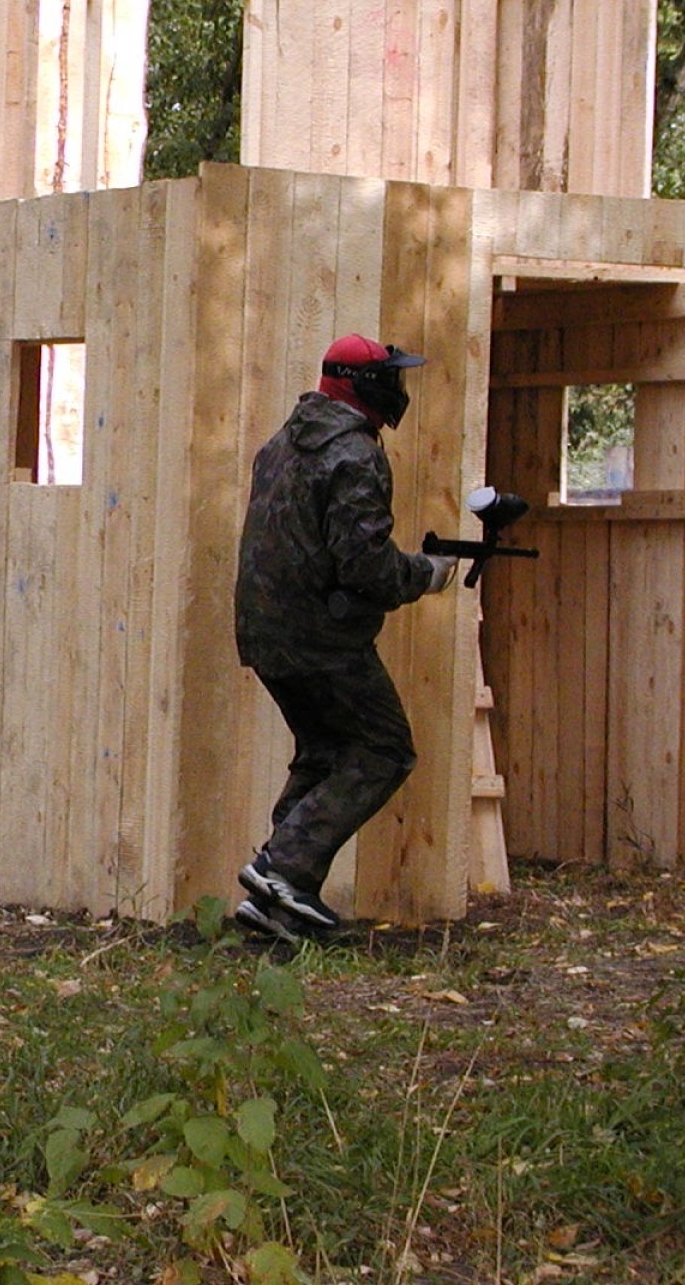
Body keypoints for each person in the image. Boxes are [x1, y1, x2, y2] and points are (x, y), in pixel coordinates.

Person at [230, 333, 457, 944]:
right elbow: (364, 566)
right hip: (319, 638)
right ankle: (284, 871)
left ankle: (276, 902)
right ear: (366, 386)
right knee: (383, 749)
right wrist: (425, 574)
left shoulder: (282, 443)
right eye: (392, 377)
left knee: (325, 751)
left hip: (267, 630)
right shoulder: (354, 453)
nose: (399, 389)